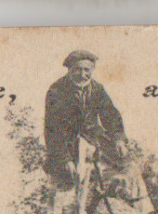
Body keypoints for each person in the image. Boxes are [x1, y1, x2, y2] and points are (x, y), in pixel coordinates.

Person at [43, 50, 124, 191]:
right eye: (77, 70)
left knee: (125, 167)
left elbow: (110, 115)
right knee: (65, 192)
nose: (82, 75)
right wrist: (65, 159)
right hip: (67, 146)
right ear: (69, 70)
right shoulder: (56, 91)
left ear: (92, 69)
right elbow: (53, 130)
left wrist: (118, 139)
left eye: (87, 70)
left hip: (94, 141)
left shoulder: (97, 89)